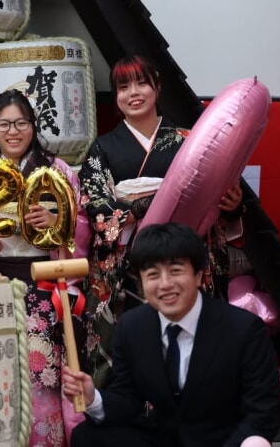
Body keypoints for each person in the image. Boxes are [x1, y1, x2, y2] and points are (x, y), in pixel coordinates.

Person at [78, 55, 244, 387]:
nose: (133, 93)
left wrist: (232, 206)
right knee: (132, 351)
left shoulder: (189, 140)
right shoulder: (103, 148)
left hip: (184, 252)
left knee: (190, 349)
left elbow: (212, 194)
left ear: (157, 87)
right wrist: (149, 204)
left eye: (142, 83)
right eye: (123, 87)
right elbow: (96, 205)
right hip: (129, 263)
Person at [62, 222, 280, 447]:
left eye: (176, 271)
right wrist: (92, 398)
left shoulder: (243, 329)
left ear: (198, 275)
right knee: (87, 436)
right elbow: (127, 399)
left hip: (221, 439)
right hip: (162, 437)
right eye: (153, 274)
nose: (165, 284)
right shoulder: (132, 327)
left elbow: (261, 412)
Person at [0, 89, 91, 446]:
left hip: (45, 285)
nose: (13, 131)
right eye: (3, 124)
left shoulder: (57, 171)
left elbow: (83, 224)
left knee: (41, 372)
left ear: (33, 126)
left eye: (21, 123)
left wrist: (56, 221)